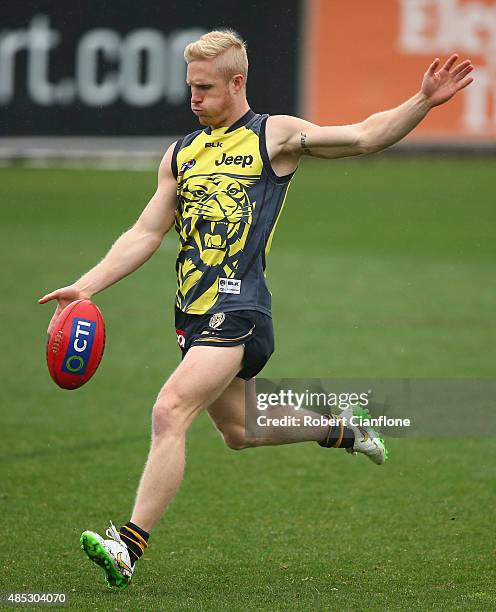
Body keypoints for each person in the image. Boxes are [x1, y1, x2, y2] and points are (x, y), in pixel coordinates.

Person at [38, 30, 473, 588]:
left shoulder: (276, 136)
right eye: (189, 86)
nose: (192, 98)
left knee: (170, 409)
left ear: (236, 83)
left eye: (204, 87)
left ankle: (127, 545)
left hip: (241, 307)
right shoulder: (181, 153)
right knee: (240, 430)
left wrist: (421, 101)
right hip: (191, 314)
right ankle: (341, 429)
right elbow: (145, 231)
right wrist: (86, 286)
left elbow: (364, 137)